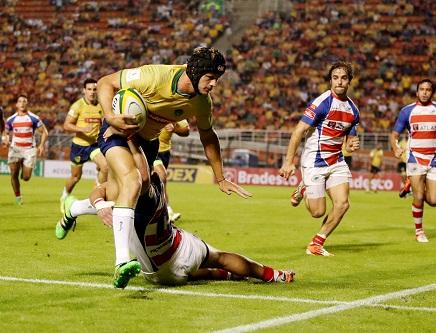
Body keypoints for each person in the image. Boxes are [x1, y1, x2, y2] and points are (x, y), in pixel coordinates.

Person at [95, 47, 252, 286]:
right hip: (117, 130)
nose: (214, 85)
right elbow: (105, 82)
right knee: (133, 180)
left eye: (216, 80)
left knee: (134, 189)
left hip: (148, 142)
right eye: (210, 78)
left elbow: (208, 136)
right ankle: (121, 263)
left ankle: (78, 208)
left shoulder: (202, 103)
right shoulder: (154, 76)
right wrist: (109, 116)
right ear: (195, 72)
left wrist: (220, 177)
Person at [56, 139, 294, 287]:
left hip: (157, 275)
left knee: (193, 272)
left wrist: (128, 140)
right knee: (219, 256)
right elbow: (150, 171)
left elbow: (100, 191)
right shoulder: (157, 181)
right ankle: (274, 275)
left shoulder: (133, 190)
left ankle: (72, 210)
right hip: (177, 248)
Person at [279, 61, 360, 256]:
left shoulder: (353, 111)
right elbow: (299, 131)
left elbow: (350, 140)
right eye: (335, 78)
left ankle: (316, 243)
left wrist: (351, 145)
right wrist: (289, 161)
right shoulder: (321, 103)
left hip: (337, 161)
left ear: (349, 81)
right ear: (330, 80)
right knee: (317, 212)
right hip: (314, 160)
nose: (339, 82)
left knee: (343, 204)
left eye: (343, 78)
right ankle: (304, 187)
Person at [389, 78, 436, 243]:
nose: (424, 92)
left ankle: (411, 184)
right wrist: (395, 148)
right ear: (417, 92)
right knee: (418, 195)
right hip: (415, 158)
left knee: (433, 200)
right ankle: (419, 231)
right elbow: (394, 135)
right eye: (421, 89)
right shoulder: (407, 111)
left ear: (432, 92)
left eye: (428, 90)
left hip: (434, 159)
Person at [60, 78, 108, 208]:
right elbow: (66, 125)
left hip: (94, 145)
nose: (92, 92)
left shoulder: (101, 106)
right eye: (89, 89)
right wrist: (82, 129)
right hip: (79, 146)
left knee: (105, 167)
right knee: (75, 177)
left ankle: (97, 190)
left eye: (94, 89)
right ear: (84, 90)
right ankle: (65, 195)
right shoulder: (77, 106)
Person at [4, 94, 49, 205]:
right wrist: (5, 139)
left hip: (29, 149)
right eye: (20, 101)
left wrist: (41, 145)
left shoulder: (33, 118)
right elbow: (5, 132)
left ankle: (23, 172)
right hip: (15, 148)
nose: (22, 103)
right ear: (16, 104)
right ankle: (18, 196)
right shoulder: (11, 119)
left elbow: (44, 132)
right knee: (13, 174)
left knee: (26, 177)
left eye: (25, 101)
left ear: (27, 104)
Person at [153, 119, 190, 222]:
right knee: (162, 176)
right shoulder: (151, 107)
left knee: (158, 183)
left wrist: (175, 127)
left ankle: (163, 211)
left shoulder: (174, 113)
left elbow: (186, 131)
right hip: (150, 149)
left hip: (165, 152)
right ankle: (167, 211)